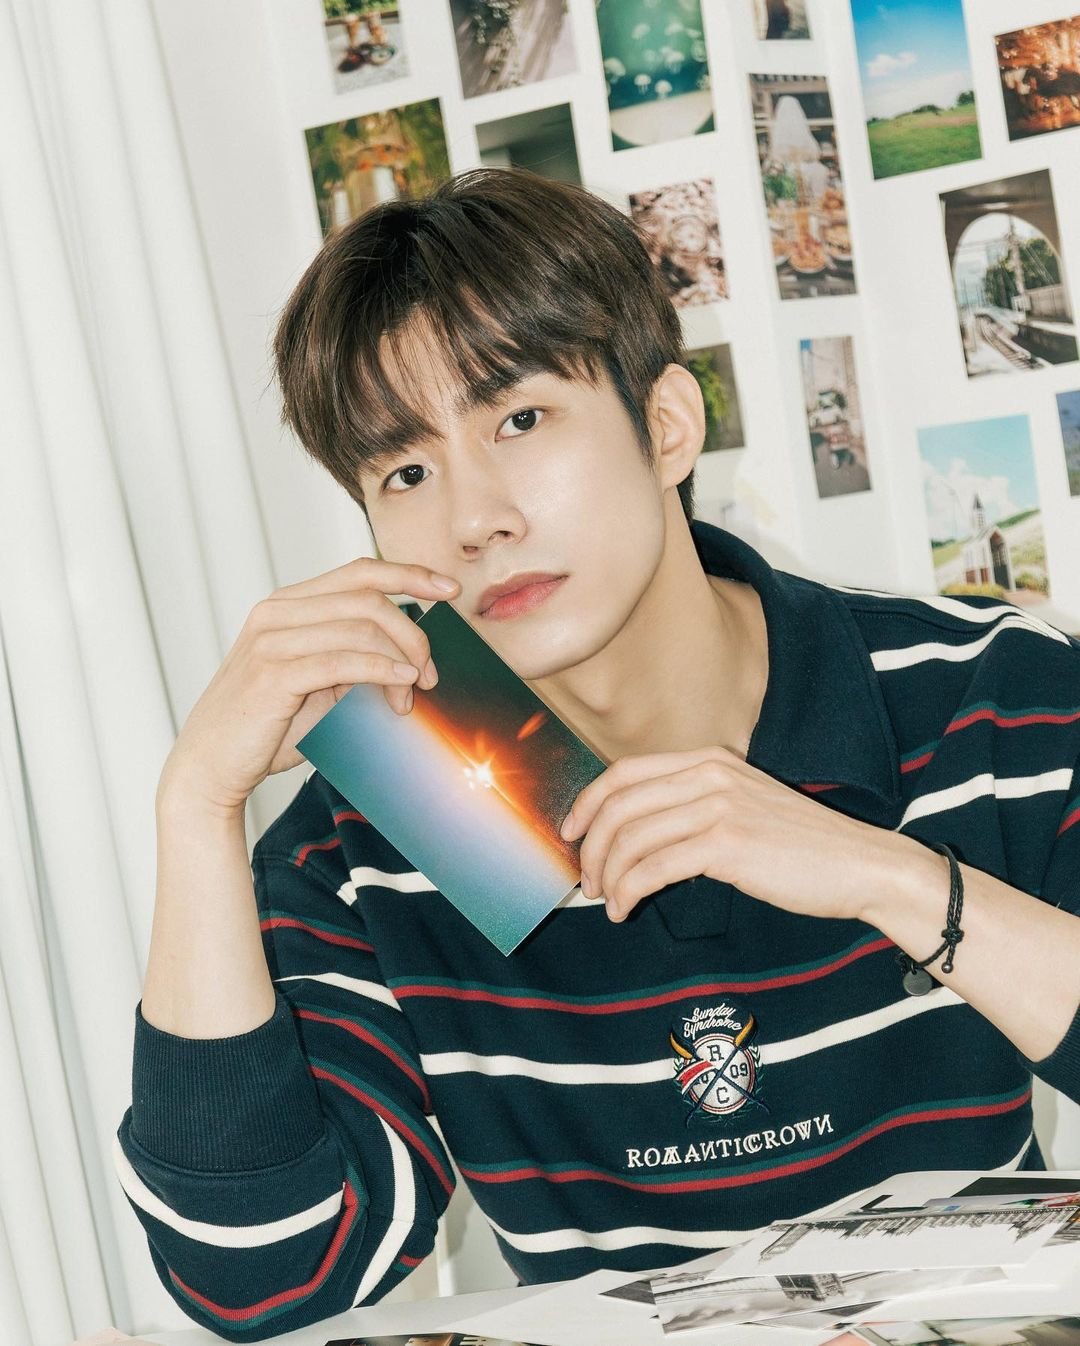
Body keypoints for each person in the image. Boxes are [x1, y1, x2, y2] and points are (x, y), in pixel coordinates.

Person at [115, 166, 1080, 1343]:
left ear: (666, 425)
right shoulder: (392, 813)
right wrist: (197, 807)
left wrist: (886, 876)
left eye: (519, 420)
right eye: (406, 471)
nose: (476, 517)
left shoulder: (979, 690)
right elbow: (261, 1277)